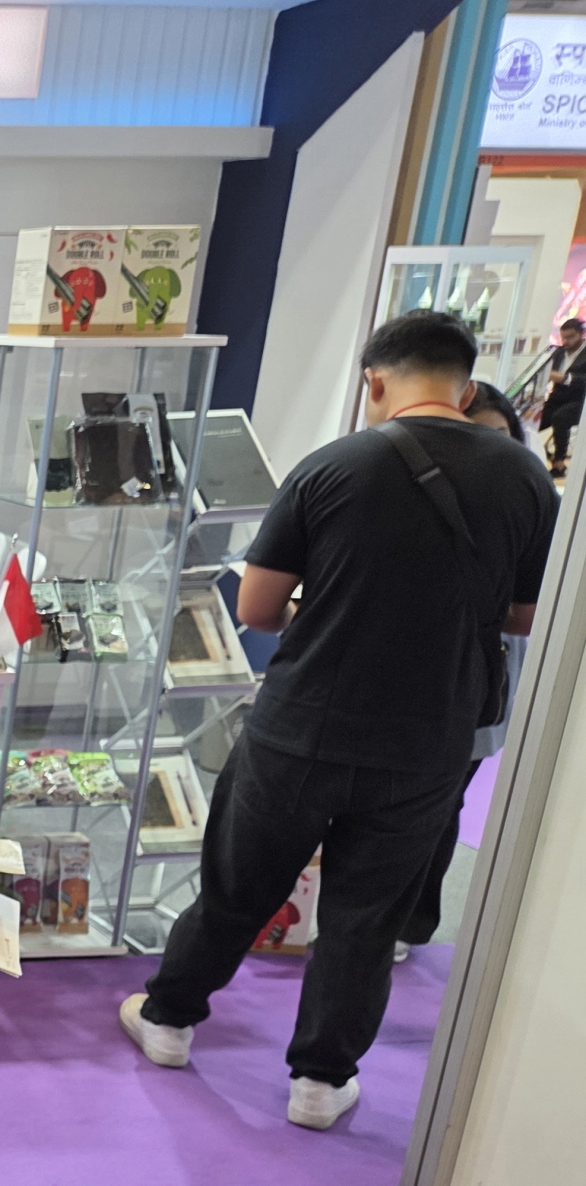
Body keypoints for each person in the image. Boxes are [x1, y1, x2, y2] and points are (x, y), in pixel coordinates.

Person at [121, 311, 555, 1129]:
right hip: (428, 738)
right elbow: (526, 615)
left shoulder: (332, 466)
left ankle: (169, 1020)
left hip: (302, 726)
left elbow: (255, 608)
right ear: (465, 388)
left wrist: (329, 611)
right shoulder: (525, 480)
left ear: (374, 381)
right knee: (366, 915)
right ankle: (319, 1082)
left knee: (238, 885)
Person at [395, 378, 531, 958]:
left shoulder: (526, 504)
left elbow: (525, 612)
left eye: (499, 437)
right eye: (475, 436)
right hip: (406, 675)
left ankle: (410, 922)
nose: (486, 451)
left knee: (443, 801)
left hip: (480, 679)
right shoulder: (409, 494)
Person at [540, 317, 583, 475]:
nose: (566, 341)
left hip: (579, 400)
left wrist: (565, 378)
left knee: (560, 417)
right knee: (537, 416)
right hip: (557, 398)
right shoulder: (557, 353)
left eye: (571, 337)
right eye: (563, 337)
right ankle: (536, 453)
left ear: (581, 334)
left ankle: (559, 462)